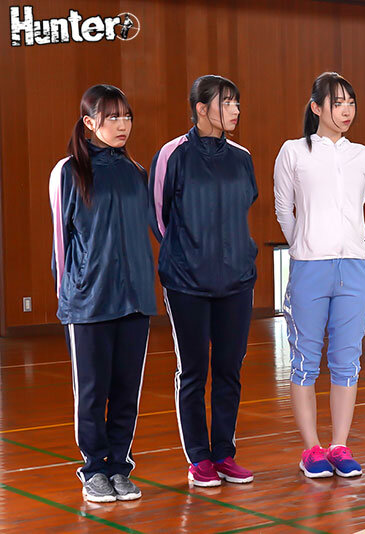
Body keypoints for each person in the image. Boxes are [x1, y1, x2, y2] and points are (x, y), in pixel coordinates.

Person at [49, 84, 156, 502]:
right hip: (87, 304)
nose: (122, 124)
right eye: (112, 117)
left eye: (127, 116)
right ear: (89, 122)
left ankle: (119, 467)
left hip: (135, 302)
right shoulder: (69, 172)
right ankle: (94, 468)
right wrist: (69, 298)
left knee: (126, 392)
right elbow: (61, 243)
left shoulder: (136, 172)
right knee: (92, 394)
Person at [150, 75, 257, 487]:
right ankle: (199, 458)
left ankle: (224, 453)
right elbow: (158, 216)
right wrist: (187, 254)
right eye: (226, 103)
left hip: (237, 283)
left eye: (237, 103)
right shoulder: (172, 154)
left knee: (229, 370)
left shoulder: (242, 157)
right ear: (201, 108)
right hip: (186, 284)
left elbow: (244, 207)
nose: (235, 110)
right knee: (193, 372)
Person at [274, 72, 365, 479]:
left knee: (347, 361)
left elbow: (358, 203)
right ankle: (312, 448)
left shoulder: (363, 155)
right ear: (316, 107)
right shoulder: (294, 151)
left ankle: (340, 445)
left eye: (351, 102)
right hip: (309, 268)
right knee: (305, 362)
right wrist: (305, 245)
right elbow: (284, 209)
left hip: (354, 267)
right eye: (337, 102)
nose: (346, 110)